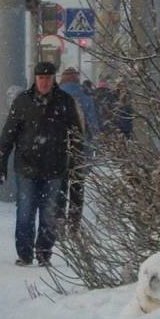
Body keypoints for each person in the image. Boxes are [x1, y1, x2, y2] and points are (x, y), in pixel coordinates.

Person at [0, 62, 84, 267]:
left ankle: (44, 253)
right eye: (41, 78)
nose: (44, 82)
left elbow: (76, 136)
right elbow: (9, 134)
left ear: (54, 80)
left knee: (49, 214)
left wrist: (77, 162)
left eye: (48, 78)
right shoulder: (23, 102)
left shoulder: (64, 102)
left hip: (55, 168)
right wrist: (0, 160)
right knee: (25, 212)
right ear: (35, 79)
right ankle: (25, 254)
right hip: (27, 167)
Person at [57, 67, 100, 230]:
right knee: (77, 186)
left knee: (60, 185)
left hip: (58, 148)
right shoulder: (85, 97)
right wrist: (94, 148)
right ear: (77, 79)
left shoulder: (55, 94)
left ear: (62, 78)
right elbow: (93, 125)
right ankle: (74, 224)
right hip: (79, 147)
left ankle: (59, 219)